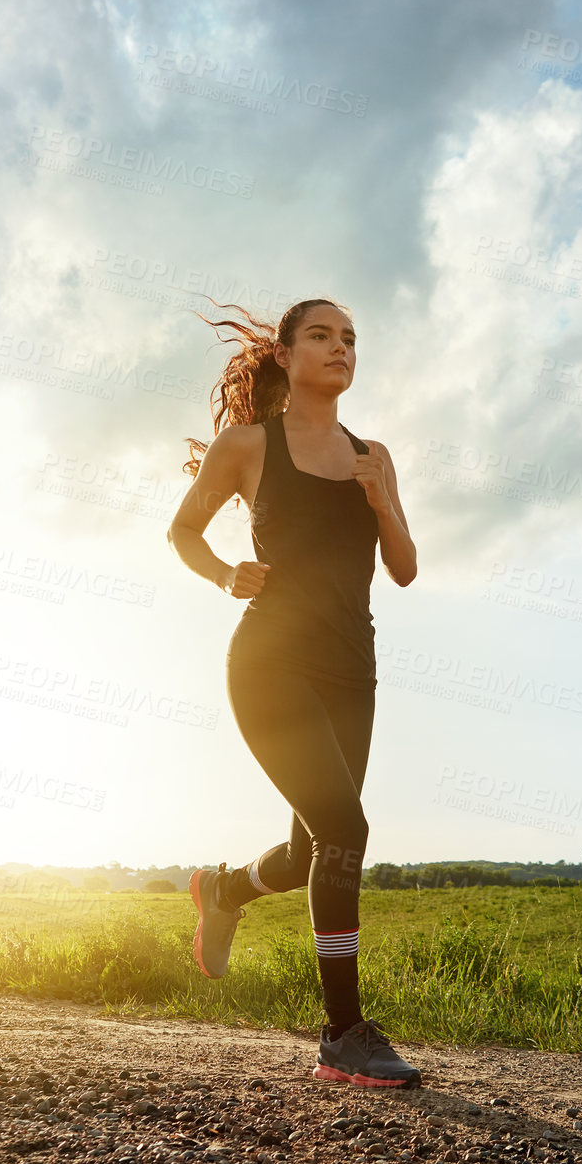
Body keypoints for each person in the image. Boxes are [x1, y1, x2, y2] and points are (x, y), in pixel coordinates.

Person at [166, 296, 421, 1088]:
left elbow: (405, 567)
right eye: (321, 335)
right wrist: (221, 574)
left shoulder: (372, 453)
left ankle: (225, 890)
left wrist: (380, 496)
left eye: (350, 337)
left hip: (353, 668)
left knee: (317, 846)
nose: (340, 347)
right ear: (283, 354)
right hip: (270, 661)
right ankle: (342, 1033)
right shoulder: (246, 445)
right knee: (346, 823)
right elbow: (184, 529)